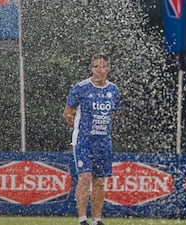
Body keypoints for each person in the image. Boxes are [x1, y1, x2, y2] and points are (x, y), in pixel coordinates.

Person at [63, 53, 121, 225]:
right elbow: (67, 114)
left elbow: (112, 115)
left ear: (108, 69)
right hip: (83, 141)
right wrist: (80, 130)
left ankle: (97, 220)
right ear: (91, 69)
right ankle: (82, 219)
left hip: (103, 142)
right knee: (85, 177)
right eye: (96, 66)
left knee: (99, 180)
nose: (99, 70)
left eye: (103, 66)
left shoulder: (114, 90)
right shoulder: (81, 88)